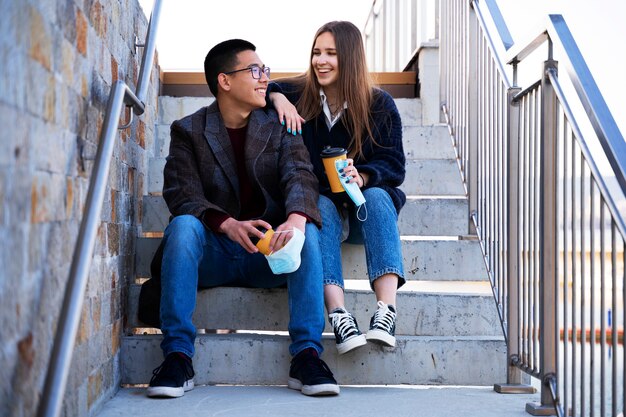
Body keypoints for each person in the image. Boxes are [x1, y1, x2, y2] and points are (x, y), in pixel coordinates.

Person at [146, 39, 339, 398]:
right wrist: (228, 225)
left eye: (265, 70)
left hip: (271, 254)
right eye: (255, 71)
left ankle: (307, 355)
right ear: (225, 81)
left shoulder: (279, 125)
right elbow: (181, 194)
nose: (265, 78)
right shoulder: (188, 130)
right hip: (214, 253)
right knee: (183, 226)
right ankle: (177, 356)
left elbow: (301, 174)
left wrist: (295, 219)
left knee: (307, 231)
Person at [267, 21, 407, 356]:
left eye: (331, 53)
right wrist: (277, 98)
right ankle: (339, 315)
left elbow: (394, 164)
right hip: (323, 206)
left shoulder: (379, 104)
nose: (321, 61)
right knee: (319, 204)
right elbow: (267, 85)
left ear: (350, 57)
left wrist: (365, 176)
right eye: (317, 52)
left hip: (363, 210)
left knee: (377, 196)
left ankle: (386, 311)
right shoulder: (299, 96)